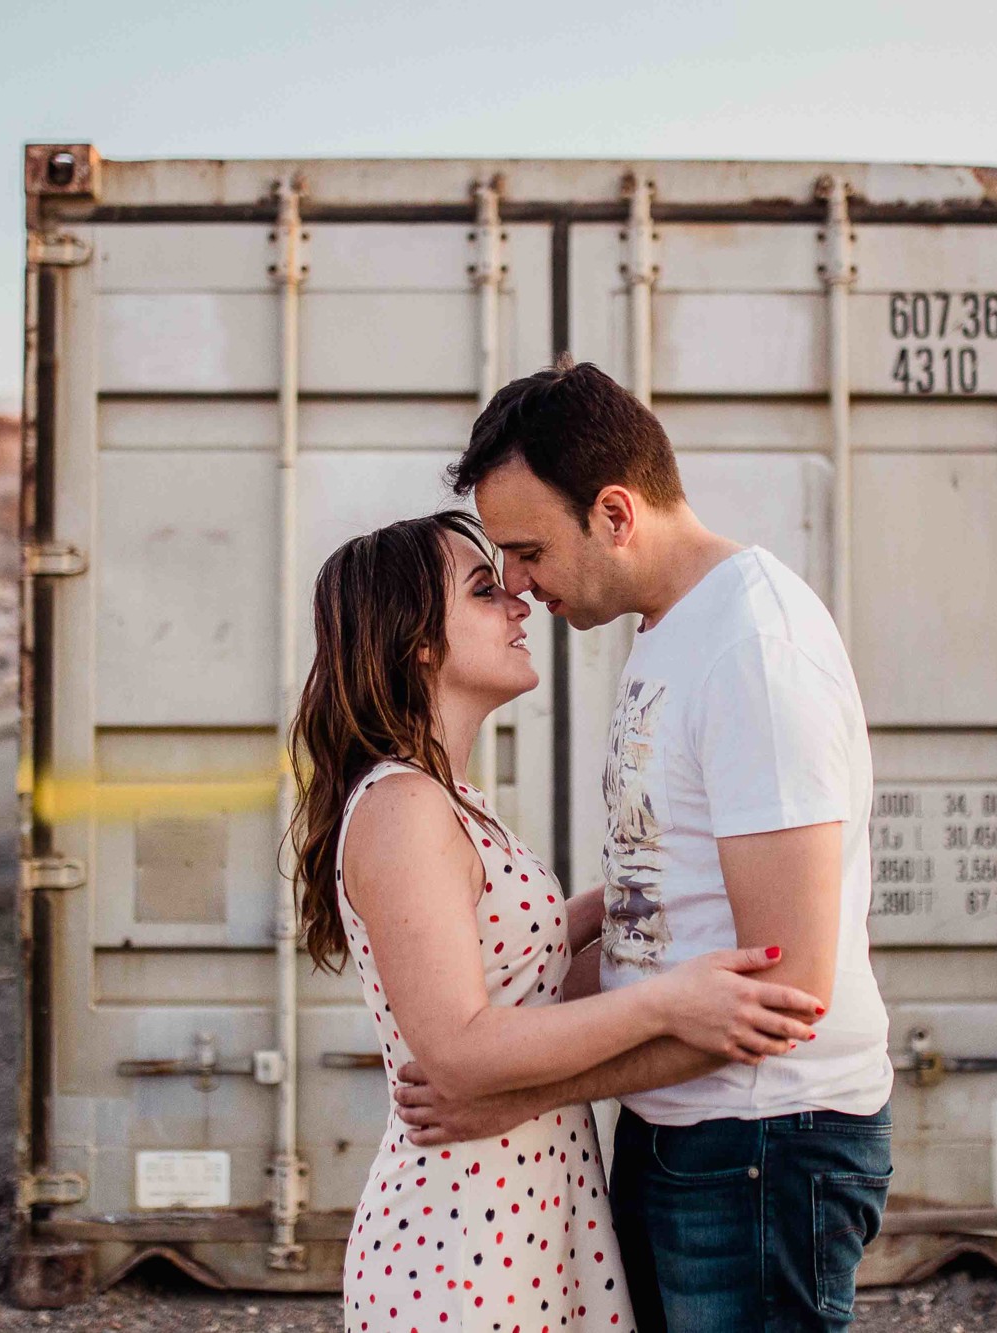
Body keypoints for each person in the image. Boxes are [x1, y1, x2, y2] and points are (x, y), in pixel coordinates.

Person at [395, 360, 896, 1332]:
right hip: (684, 1123)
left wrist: (524, 1095)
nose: (517, 586)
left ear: (616, 514)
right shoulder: (670, 629)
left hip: (765, 1141)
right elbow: (664, 913)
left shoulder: (753, 647)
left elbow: (785, 993)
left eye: (528, 551)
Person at [288, 509, 826, 1333]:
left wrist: (653, 883)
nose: (518, 601)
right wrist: (668, 1001)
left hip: (525, 1213)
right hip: (462, 1242)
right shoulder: (401, 807)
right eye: (482, 589)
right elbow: (461, 1047)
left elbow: (522, 976)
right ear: (417, 643)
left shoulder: (447, 801)